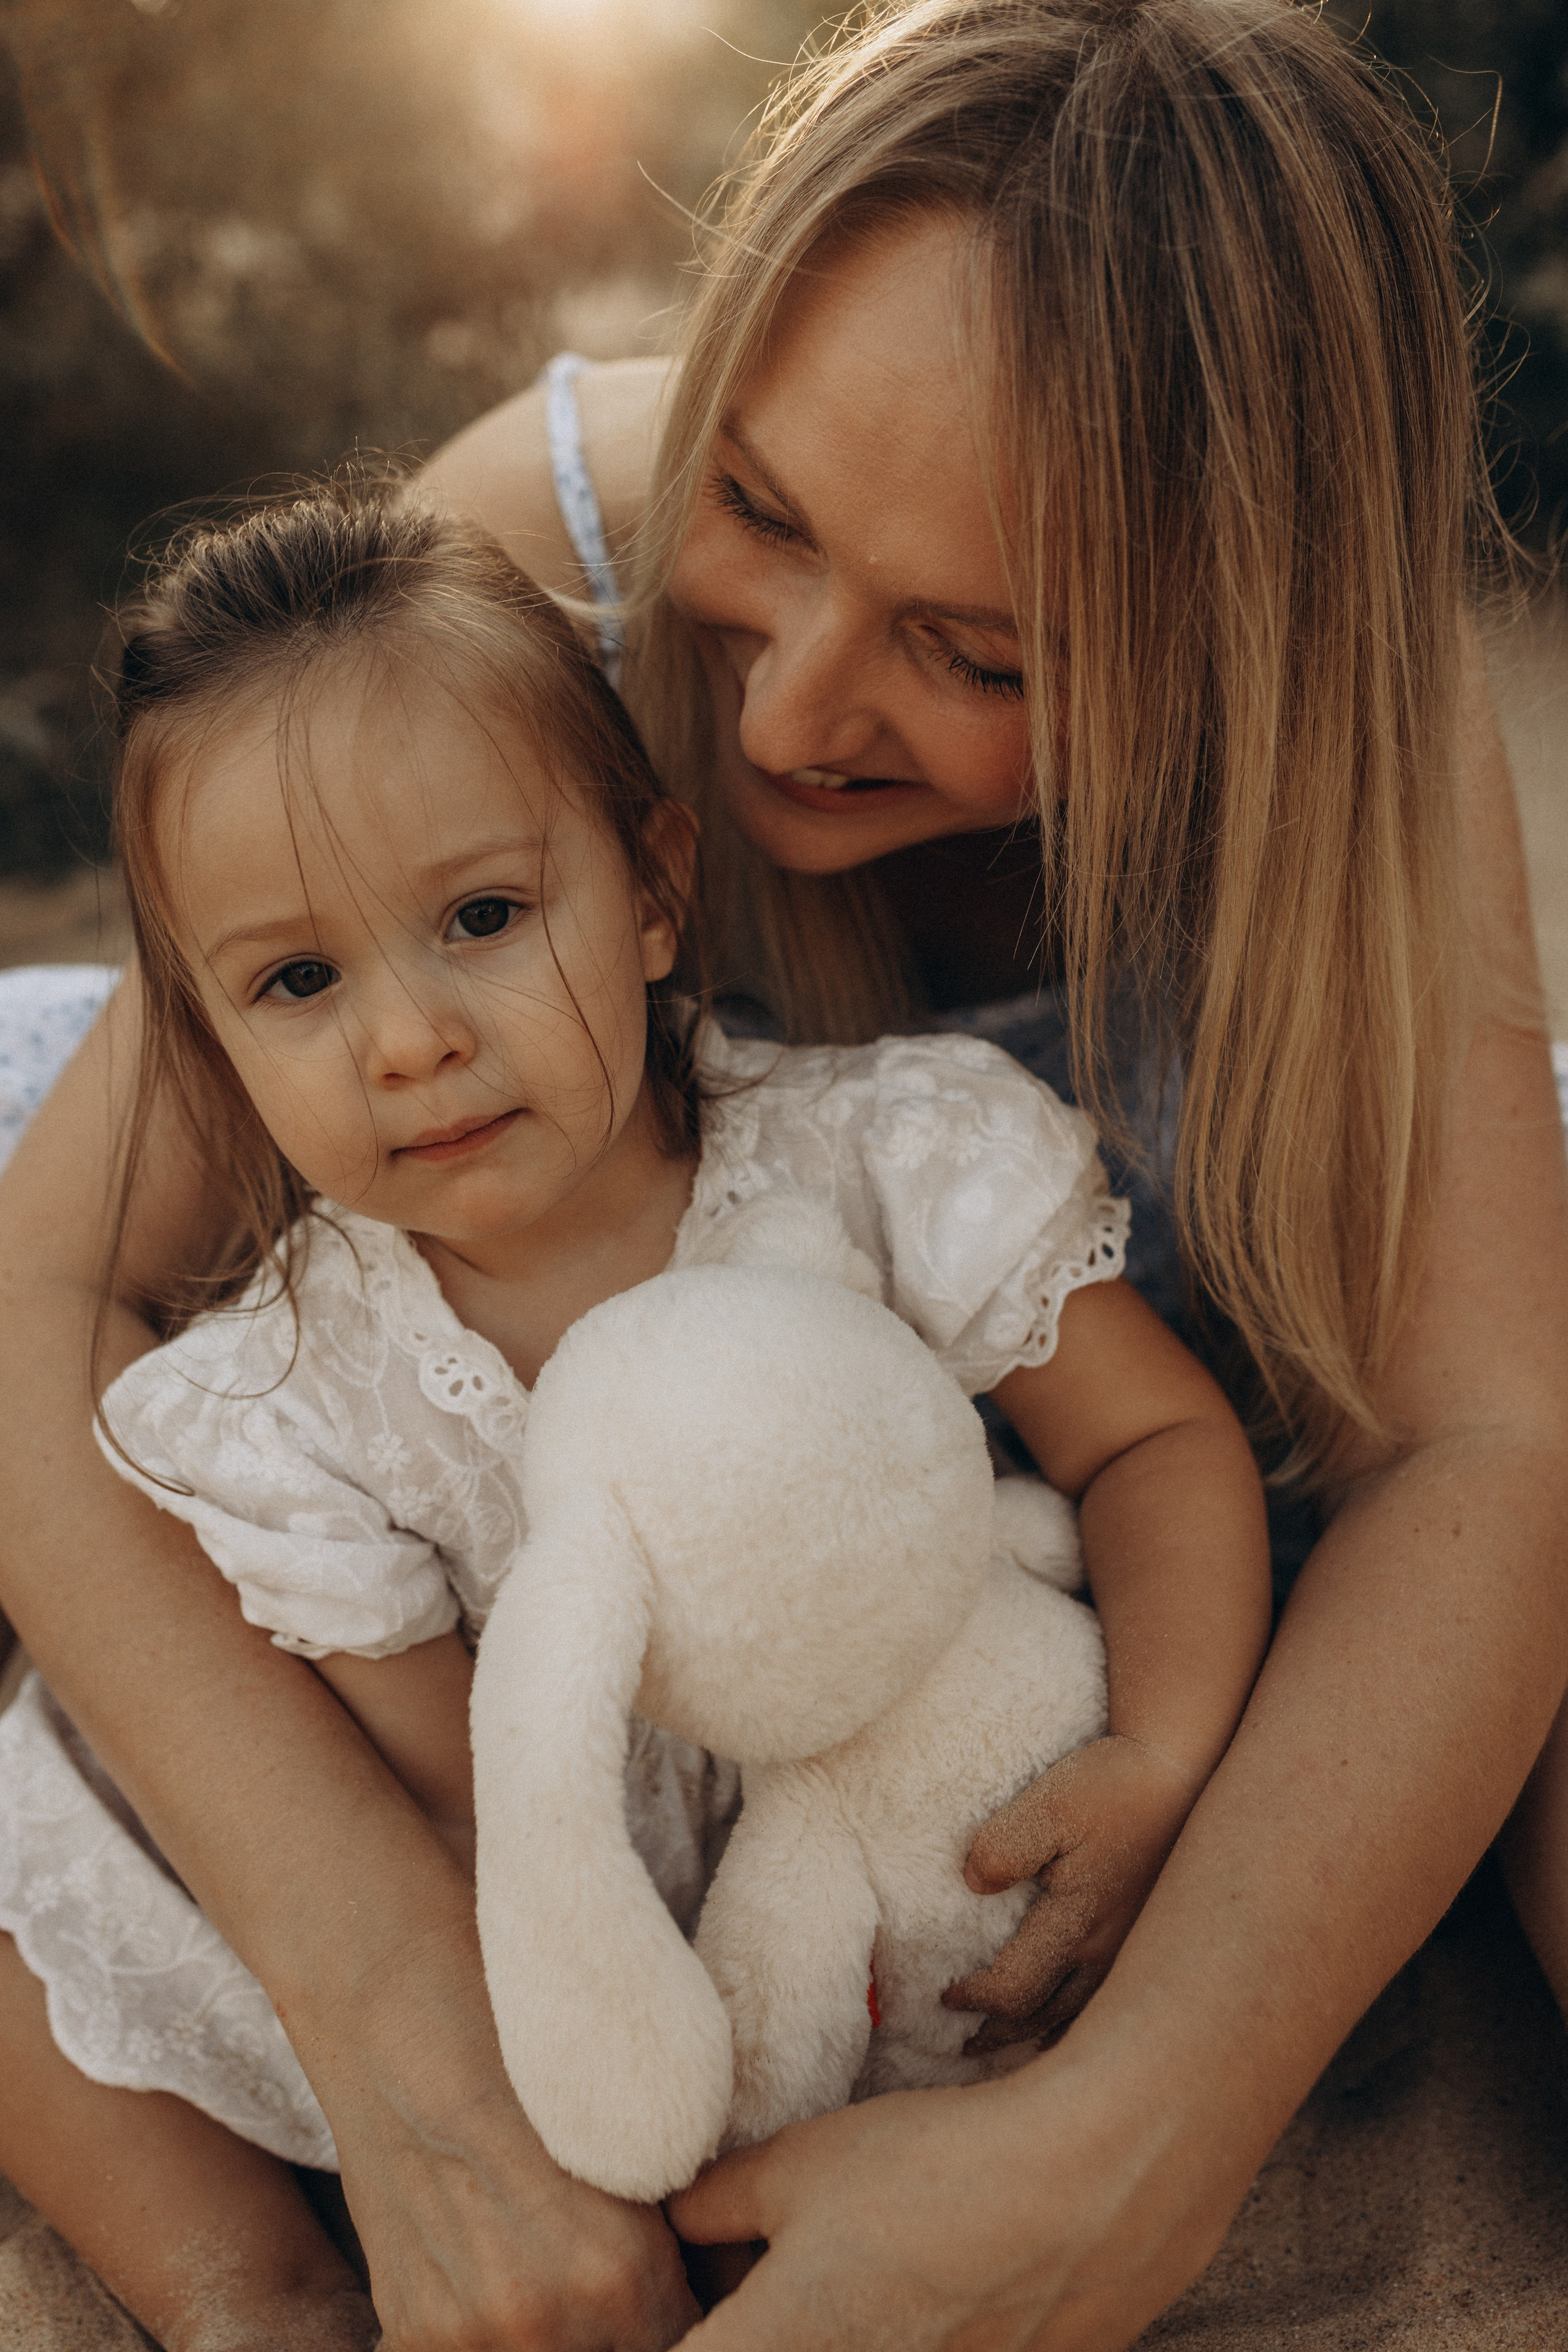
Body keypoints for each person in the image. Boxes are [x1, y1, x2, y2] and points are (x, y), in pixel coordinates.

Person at [0, 2, 1564, 2348]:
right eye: (763, 513)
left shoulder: (1349, 739)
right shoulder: (537, 562)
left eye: (976, 652)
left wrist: (1135, 2132)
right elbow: (39, 1312)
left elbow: (1484, 1435)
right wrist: (413, 2028)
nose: (785, 715)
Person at [0, 486, 1268, 2350]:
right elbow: (458, 1808)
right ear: (210, 1044)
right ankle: (239, 2293)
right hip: (517, 1885)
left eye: (485, 917)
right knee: (43, 1900)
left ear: (656, 892)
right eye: (296, 981)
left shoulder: (867, 1162)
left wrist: (1158, 1749)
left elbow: (1150, 1446)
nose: (408, 1038)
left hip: (832, 1835)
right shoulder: (287, 1394)